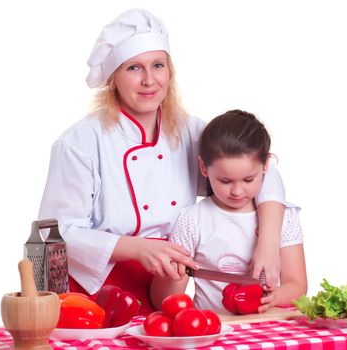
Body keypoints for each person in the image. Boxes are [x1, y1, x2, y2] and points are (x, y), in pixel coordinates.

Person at [38, 9, 289, 315]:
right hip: (97, 290)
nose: (149, 80)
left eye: (158, 65)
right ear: (113, 78)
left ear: (170, 71)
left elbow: (259, 169)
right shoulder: (80, 143)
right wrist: (137, 248)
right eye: (133, 68)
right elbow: (54, 234)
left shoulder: (190, 130)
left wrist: (269, 243)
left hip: (170, 284)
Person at [150, 110, 307, 313]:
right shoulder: (193, 219)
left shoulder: (283, 218)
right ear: (204, 168)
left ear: (266, 165)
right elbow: (163, 300)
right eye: (224, 181)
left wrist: (274, 298)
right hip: (213, 327)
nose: (237, 191)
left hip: (265, 325)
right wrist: (173, 273)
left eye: (248, 179)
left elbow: (297, 285)